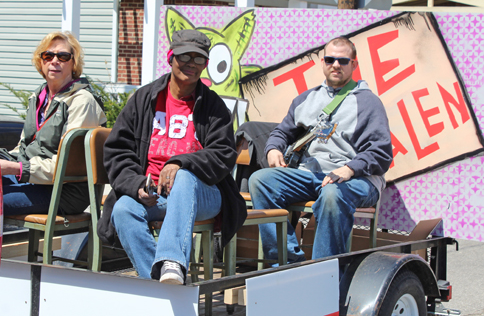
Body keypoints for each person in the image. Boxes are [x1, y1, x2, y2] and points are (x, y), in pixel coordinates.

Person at [97, 29, 247, 284]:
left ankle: (173, 262)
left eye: (198, 59)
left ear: (206, 65)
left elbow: (223, 155)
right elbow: (117, 150)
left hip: (204, 194)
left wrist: (180, 162)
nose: (191, 63)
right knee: (122, 209)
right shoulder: (144, 99)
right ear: (170, 57)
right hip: (154, 194)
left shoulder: (214, 107)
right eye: (183, 56)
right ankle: (162, 290)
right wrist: (136, 186)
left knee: (185, 177)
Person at [249, 36, 393, 263]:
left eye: (343, 61)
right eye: (330, 59)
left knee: (332, 194)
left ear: (354, 64)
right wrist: (273, 148)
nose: (336, 65)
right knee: (260, 180)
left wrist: (349, 169)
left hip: (356, 180)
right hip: (312, 175)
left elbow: (380, 153)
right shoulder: (306, 99)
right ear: (323, 62)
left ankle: (323, 274)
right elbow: (281, 132)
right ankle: (286, 264)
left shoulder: (368, 102)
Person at [0, 31, 107, 216]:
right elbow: (24, 147)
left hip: (65, 191)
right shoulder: (38, 97)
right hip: (31, 179)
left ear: (74, 64)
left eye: (63, 56)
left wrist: (14, 168)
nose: (54, 61)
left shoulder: (82, 101)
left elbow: (68, 167)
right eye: (48, 55)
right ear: (40, 62)